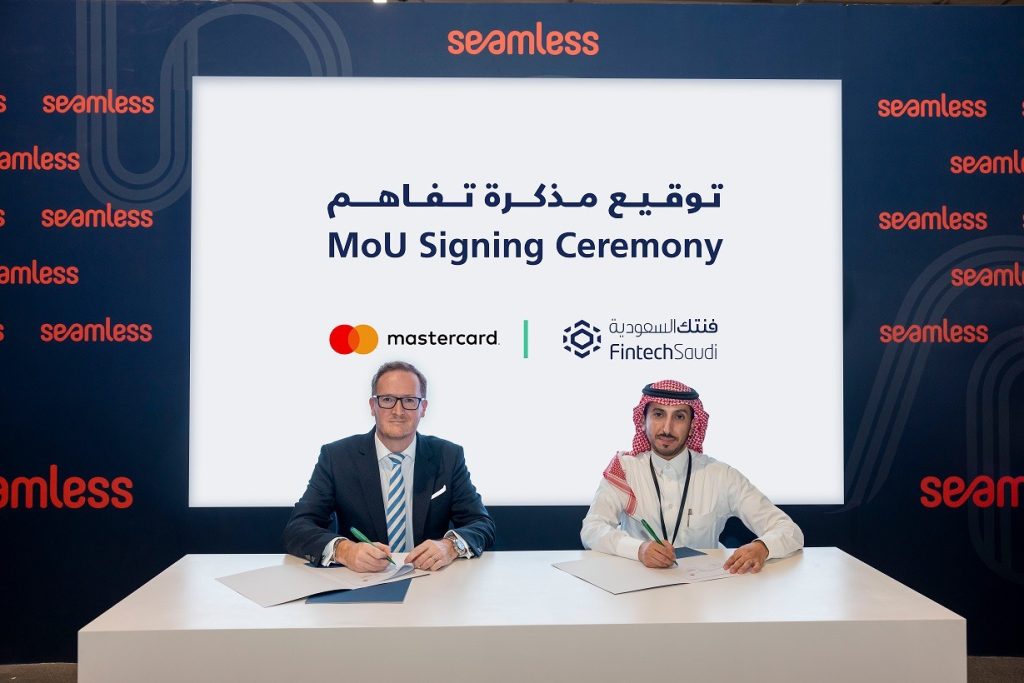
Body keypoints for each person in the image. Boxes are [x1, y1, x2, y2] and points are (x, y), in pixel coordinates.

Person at [284, 361, 495, 572]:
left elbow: (481, 524)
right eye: (387, 400)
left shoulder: (448, 456)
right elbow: (298, 527)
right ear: (372, 406)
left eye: (409, 400)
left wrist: (450, 546)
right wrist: (344, 550)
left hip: (430, 579)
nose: (398, 411)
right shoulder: (337, 457)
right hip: (360, 581)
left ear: (423, 408)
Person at [581, 379, 803, 573]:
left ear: (693, 424)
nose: (667, 428)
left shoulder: (720, 475)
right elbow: (592, 528)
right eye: (658, 414)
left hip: (703, 591)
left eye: (679, 417)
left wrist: (762, 547)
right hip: (635, 589)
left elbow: (789, 530)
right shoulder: (625, 470)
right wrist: (638, 549)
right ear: (642, 420)